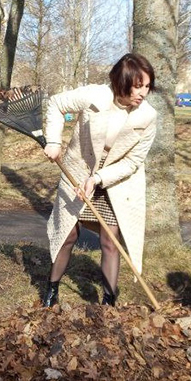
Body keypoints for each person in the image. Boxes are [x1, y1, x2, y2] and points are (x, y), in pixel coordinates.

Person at [41, 53, 158, 307]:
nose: (143, 93)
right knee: (68, 234)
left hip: (115, 181)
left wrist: (98, 178)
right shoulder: (95, 95)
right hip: (78, 171)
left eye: (147, 86)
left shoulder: (148, 116)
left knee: (110, 240)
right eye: (138, 86)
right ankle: (51, 290)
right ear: (122, 80)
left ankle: (109, 300)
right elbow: (56, 103)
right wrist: (53, 140)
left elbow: (132, 162)